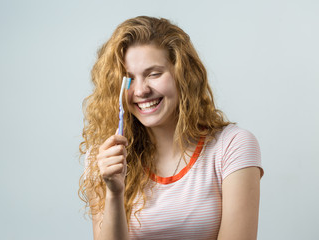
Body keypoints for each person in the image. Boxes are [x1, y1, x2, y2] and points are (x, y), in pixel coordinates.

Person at [79, 16, 264, 240]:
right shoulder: (105, 160)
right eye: (128, 79)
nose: (140, 91)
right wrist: (114, 193)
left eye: (154, 74)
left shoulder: (232, 146)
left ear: (183, 75)